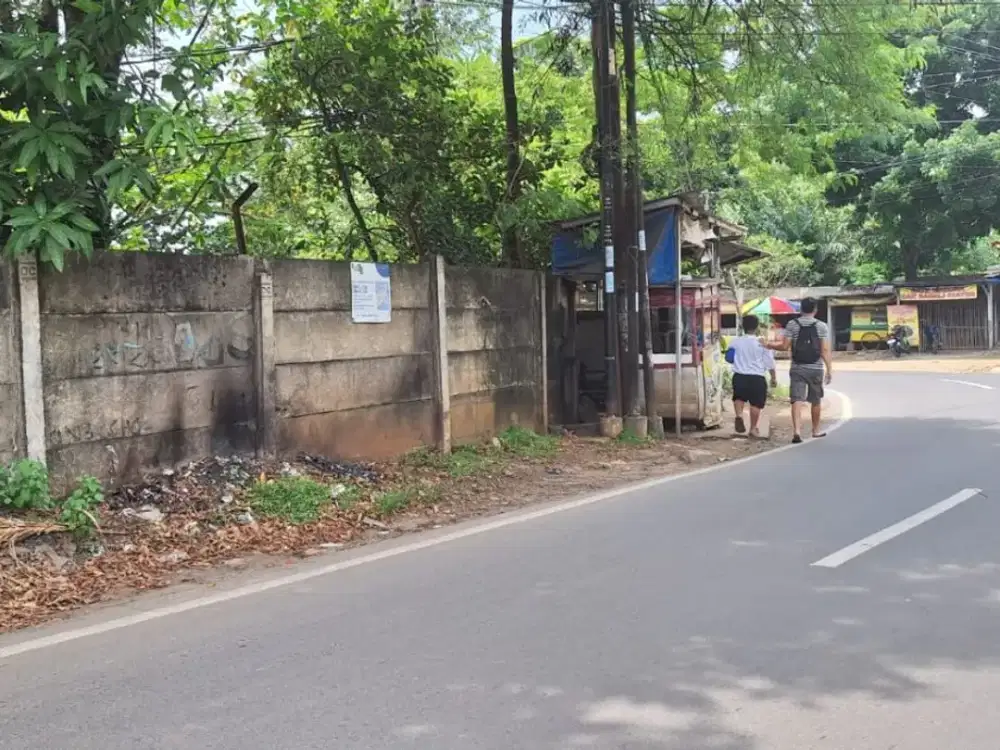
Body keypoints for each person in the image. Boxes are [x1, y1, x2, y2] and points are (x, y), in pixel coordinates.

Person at [767, 297, 832, 444]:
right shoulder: (822, 326)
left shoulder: (792, 324)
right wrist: (829, 370)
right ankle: (815, 430)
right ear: (815, 310)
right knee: (815, 400)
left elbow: (784, 346)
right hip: (816, 368)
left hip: (797, 367)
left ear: (801, 309)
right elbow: (824, 350)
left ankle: (797, 431)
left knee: (797, 399)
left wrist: (769, 345)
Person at [727, 315, 777, 438]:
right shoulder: (762, 343)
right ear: (757, 327)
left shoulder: (735, 341)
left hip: (739, 375)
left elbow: (729, 358)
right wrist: (773, 378)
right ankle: (753, 428)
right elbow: (769, 362)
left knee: (738, 397)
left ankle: (739, 415)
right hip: (757, 376)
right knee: (756, 404)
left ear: (743, 327)